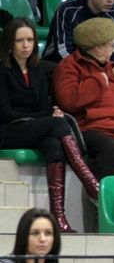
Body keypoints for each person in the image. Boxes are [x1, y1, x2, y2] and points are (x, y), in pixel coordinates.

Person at [0, 18, 99, 233]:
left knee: (54, 146)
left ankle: (59, 219)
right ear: (9, 43)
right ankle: (91, 184)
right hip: (9, 130)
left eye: (30, 40)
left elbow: (44, 107)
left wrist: (48, 115)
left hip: (35, 128)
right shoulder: (2, 70)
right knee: (57, 124)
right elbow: (5, 113)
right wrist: (45, 118)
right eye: (20, 40)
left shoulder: (38, 69)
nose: (26, 45)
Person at [53, 18, 114, 180]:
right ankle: (107, 193)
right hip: (92, 129)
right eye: (112, 45)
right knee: (110, 150)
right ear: (98, 47)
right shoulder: (68, 66)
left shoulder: (113, 68)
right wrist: (97, 81)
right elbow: (68, 101)